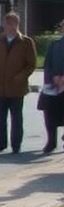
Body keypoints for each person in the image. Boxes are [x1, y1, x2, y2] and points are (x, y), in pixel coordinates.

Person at [0, 12, 37, 155]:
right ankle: (1, 144)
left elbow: (31, 64)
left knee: (16, 118)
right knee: (0, 118)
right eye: (6, 23)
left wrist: (20, 77)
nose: (9, 26)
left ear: (17, 24)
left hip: (17, 87)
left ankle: (16, 145)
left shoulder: (26, 42)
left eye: (12, 23)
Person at [38, 19, 64, 154]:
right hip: (53, 85)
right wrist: (53, 77)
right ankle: (51, 141)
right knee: (49, 114)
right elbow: (47, 64)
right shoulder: (54, 44)